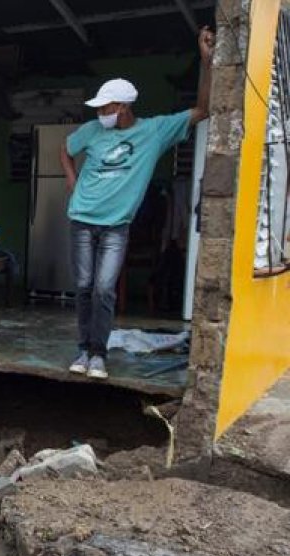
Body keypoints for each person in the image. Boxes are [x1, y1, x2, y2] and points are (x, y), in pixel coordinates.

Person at [61, 27, 214, 380]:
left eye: (105, 107)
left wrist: (206, 63)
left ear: (123, 107)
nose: (100, 113)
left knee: (103, 289)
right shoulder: (92, 131)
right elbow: (64, 149)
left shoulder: (154, 131)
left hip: (116, 225)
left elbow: (203, 110)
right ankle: (83, 349)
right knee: (83, 287)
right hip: (82, 218)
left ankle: (98, 354)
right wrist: (72, 181)